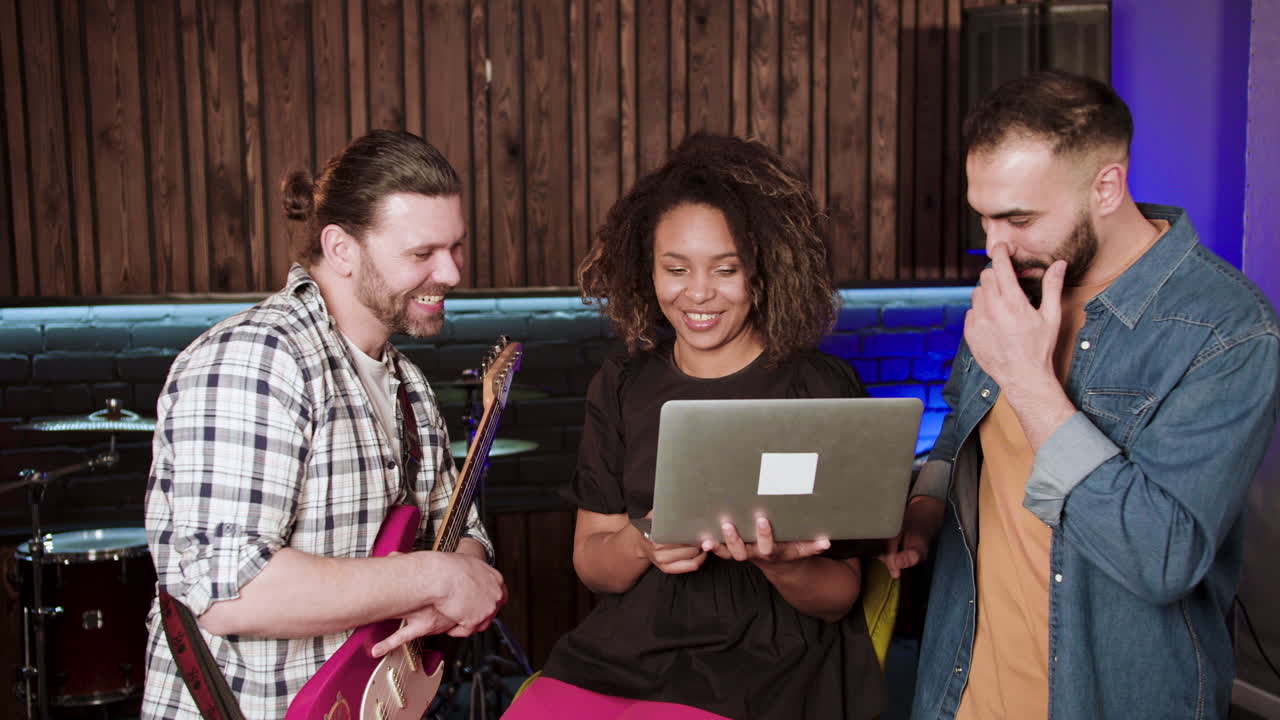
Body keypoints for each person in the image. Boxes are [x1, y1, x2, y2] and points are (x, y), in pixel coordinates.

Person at [880, 70, 1280, 720]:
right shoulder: (1017, 280)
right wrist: (923, 510)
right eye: (983, 217)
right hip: (960, 692)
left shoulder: (1228, 331)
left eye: (1018, 218)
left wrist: (1032, 384)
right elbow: (962, 432)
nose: (994, 246)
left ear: (1106, 186)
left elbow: (1164, 560)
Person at [502, 133, 886, 720]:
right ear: (647, 270)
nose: (698, 293)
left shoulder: (821, 387)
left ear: (761, 272)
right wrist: (643, 541)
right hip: (624, 651)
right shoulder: (624, 383)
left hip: (764, 662)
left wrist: (779, 561)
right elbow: (593, 564)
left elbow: (840, 597)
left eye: (725, 269)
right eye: (675, 268)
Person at [141, 129, 507, 719]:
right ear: (340, 248)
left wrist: (464, 571)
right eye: (422, 254)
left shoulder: (407, 384)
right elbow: (232, 591)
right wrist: (435, 577)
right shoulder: (258, 359)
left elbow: (459, 531)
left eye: (454, 247)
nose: (452, 273)